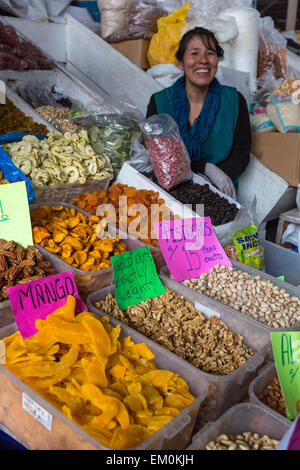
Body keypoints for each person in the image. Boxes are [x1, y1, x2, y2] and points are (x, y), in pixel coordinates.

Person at [146, 27, 251, 199]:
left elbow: (241, 154)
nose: (203, 60)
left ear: (217, 60)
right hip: (169, 195)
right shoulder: (159, 102)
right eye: (194, 53)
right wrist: (204, 169)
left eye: (210, 53)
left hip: (219, 194)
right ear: (180, 62)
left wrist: (213, 180)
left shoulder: (234, 101)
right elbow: (159, 158)